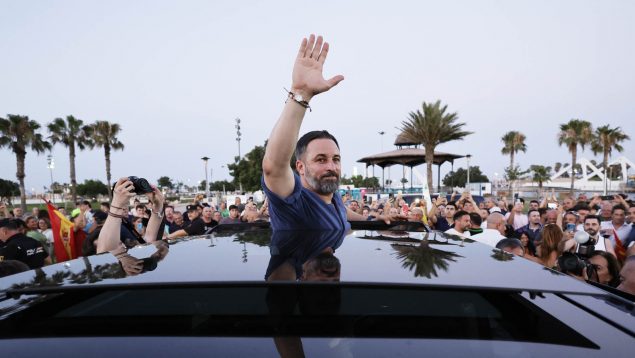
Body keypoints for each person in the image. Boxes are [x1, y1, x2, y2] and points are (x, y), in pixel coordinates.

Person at [261, 34, 402, 230]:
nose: (331, 166)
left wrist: (374, 220)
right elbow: (273, 166)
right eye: (320, 159)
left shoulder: (331, 195)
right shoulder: (294, 201)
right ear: (300, 167)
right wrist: (301, 92)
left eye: (336, 159)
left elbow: (342, 211)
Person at [97, 177, 165, 254]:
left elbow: (147, 241)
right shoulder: (112, 226)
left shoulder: (126, 222)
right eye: (125, 203)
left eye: (127, 204)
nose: (126, 208)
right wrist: (117, 204)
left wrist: (158, 205)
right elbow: (104, 252)